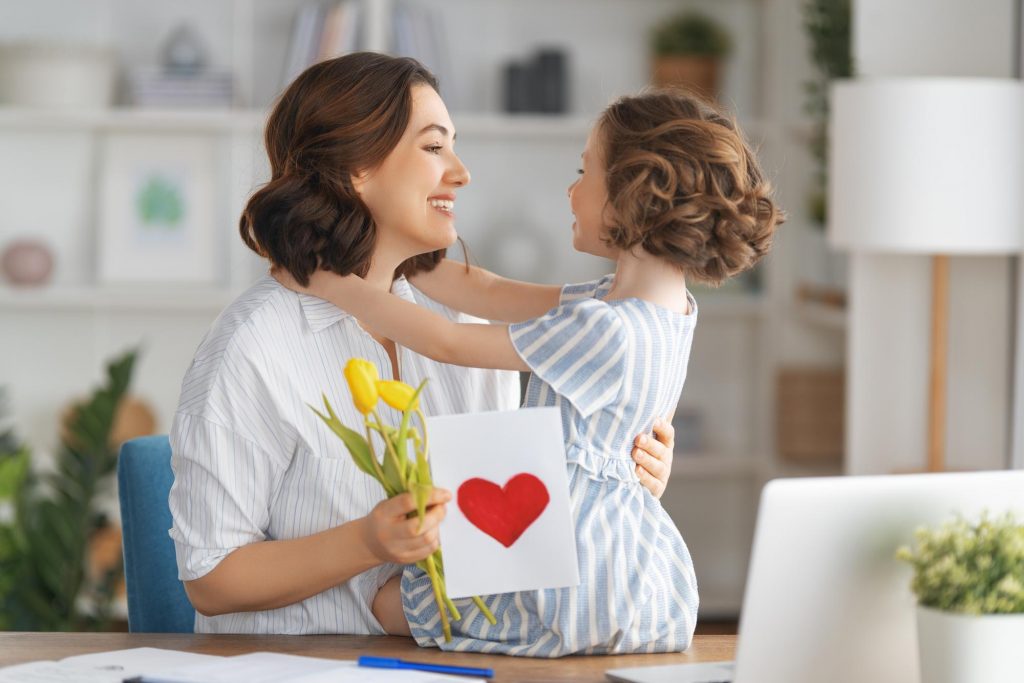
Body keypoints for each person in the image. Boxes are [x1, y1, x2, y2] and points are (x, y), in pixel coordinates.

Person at [167, 51, 676, 635]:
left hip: (457, 665)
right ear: (356, 166)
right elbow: (211, 580)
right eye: (435, 147)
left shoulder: (465, 323)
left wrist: (619, 479)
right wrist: (366, 541)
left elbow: (504, 543)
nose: (461, 172)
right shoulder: (253, 344)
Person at [285, 87, 783, 655]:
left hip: (569, 564)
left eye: (584, 171)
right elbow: (489, 290)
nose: (571, 189)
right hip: (621, 559)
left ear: (632, 195)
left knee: (385, 603)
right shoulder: (659, 312)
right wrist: (405, 254)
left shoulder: (606, 329)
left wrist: (337, 285)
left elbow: (448, 340)